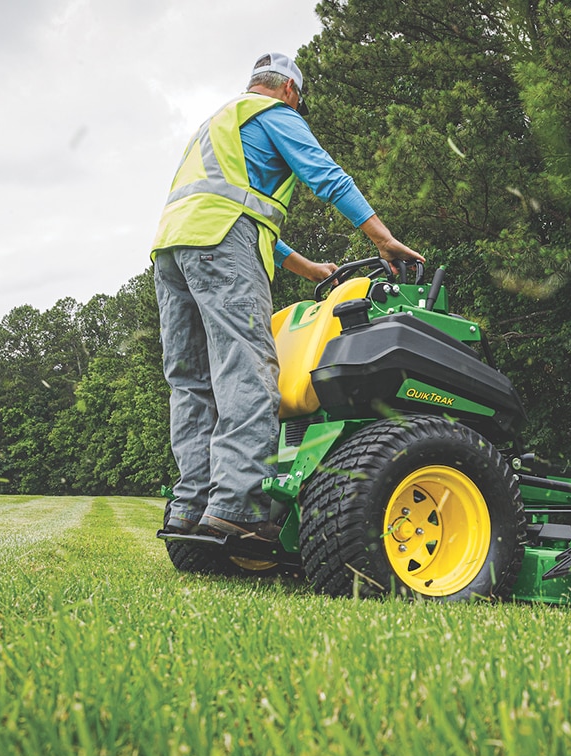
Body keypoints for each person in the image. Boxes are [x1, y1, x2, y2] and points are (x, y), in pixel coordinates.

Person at [150, 52, 423, 542]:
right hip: (221, 244)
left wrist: (311, 269)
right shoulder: (275, 115)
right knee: (247, 367)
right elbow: (327, 176)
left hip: (171, 251)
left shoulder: (217, 125)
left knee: (191, 381)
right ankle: (238, 507)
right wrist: (383, 239)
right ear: (291, 91)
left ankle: (190, 506)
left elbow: (237, 209)